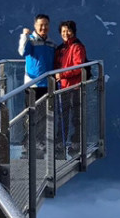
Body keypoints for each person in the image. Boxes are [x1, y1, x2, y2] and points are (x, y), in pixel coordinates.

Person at [18, 14, 56, 153]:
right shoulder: (31, 41)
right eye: (40, 25)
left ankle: (39, 141)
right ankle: (27, 142)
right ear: (35, 26)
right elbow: (22, 51)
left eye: (46, 24)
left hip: (48, 85)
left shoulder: (51, 44)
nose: (43, 27)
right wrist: (24, 36)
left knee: (45, 116)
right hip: (33, 85)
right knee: (30, 114)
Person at [54, 20, 88, 158]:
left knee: (74, 115)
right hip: (63, 86)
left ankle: (74, 142)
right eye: (63, 31)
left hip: (74, 86)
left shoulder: (77, 47)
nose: (65, 34)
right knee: (63, 115)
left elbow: (78, 66)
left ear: (73, 31)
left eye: (68, 31)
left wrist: (61, 74)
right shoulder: (61, 49)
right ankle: (61, 141)